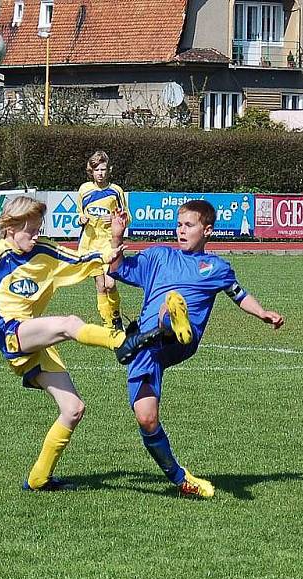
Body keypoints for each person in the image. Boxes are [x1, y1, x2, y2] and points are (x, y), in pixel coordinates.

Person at [0, 196, 137, 491]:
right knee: (69, 324)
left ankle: (39, 478)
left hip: (34, 337)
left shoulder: (44, 250)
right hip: (11, 332)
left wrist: (113, 241)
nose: (37, 235)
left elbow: (80, 260)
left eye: (39, 228)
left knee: (73, 408)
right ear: (11, 228)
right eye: (31, 230)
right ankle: (125, 341)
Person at [107, 199, 285, 498]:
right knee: (146, 419)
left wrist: (263, 312)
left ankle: (171, 320)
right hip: (148, 353)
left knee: (171, 303)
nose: (181, 230)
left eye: (189, 225)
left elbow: (239, 295)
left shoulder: (216, 267)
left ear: (207, 230)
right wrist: (116, 237)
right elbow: (117, 270)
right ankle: (181, 479)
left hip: (180, 343)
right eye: (179, 225)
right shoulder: (159, 257)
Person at [77, 150, 128, 331]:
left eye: (103, 169)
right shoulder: (84, 190)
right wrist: (81, 219)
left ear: (109, 170)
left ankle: (116, 316)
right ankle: (108, 325)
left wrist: (115, 220)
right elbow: (79, 213)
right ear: (91, 171)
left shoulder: (116, 191)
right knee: (100, 285)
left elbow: (126, 217)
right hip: (90, 245)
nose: (100, 173)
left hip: (109, 243)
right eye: (97, 169)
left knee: (110, 283)